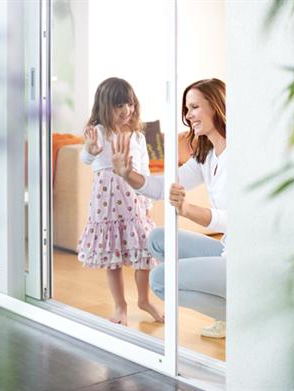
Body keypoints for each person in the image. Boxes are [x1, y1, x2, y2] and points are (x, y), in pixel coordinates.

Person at [111, 78, 227, 338]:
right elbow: (162, 186)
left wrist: (187, 209)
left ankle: (235, 314)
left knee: (160, 280)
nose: (188, 116)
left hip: (243, 258)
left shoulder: (238, 155)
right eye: (187, 109)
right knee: (157, 239)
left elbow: (236, 220)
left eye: (194, 107)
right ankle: (225, 306)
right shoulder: (207, 156)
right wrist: (127, 174)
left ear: (216, 106)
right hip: (226, 249)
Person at [77, 77, 164, 326]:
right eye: (119, 106)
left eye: (130, 104)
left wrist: (147, 203)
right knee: (111, 256)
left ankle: (144, 300)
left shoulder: (136, 135)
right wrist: (90, 150)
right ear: (105, 106)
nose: (127, 111)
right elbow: (85, 159)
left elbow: (145, 169)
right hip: (106, 200)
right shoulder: (100, 133)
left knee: (144, 250)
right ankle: (120, 305)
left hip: (133, 198)